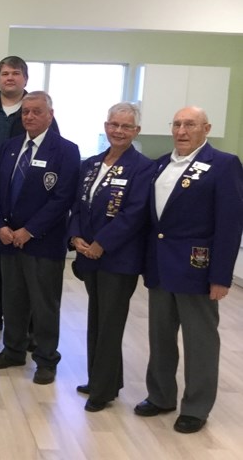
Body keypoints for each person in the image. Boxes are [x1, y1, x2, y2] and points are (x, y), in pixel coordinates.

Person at [134, 106, 243, 434]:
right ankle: (161, 395)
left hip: (197, 268)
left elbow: (229, 224)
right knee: (160, 337)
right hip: (161, 267)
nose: (182, 130)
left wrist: (221, 275)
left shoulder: (223, 165)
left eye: (190, 124)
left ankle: (196, 407)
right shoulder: (161, 164)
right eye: (177, 124)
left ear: (206, 128)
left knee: (200, 341)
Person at [0, 91, 80, 385]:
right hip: (9, 239)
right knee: (12, 300)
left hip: (42, 242)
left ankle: (46, 359)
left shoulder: (66, 150)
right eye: (25, 112)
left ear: (50, 115)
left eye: (36, 111)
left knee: (44, 305)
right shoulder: (10, 147)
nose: (29, 117)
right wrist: (0, 225)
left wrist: (30, 230)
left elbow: (62, 198)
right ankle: (13, 350)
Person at [67, 102, 154, 411]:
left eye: (126, 127)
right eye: (114, 125)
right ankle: (102, 379)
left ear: (136, 131)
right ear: (105, 126)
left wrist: (102, 243)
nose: (118, 131)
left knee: (111, 323)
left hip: (118, 259)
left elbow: (134, 214)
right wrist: (75, 235)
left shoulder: (143, 167)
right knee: (96, 318)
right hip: (88, 255)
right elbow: (77, 204)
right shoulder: (90, 164)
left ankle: (102, 391)